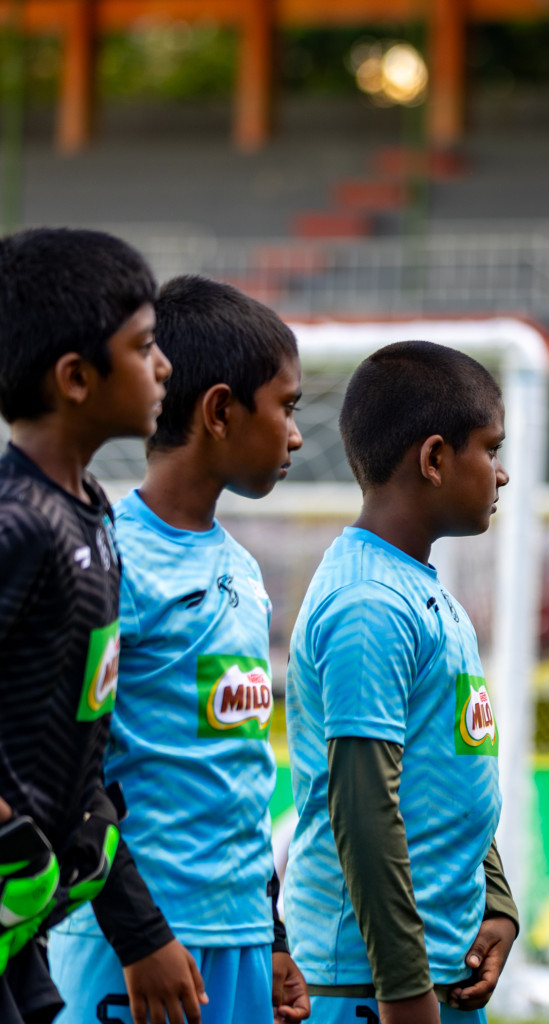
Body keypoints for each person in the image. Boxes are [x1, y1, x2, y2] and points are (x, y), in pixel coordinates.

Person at [46, 276, 310, 1024]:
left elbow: (241, 772)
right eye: (286, 407)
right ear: (221, 410)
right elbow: (66, 774)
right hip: (130, 942)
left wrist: (275, 932)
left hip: (241, 938)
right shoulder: (109, 559)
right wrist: (138, 935)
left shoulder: (244, 572)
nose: (295, 435)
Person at [0, 228, 210, 1024]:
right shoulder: (18, 523)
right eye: (145, 345)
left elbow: (81, 741)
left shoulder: (91, 521)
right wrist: (11, 839)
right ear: (77, 378)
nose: (163, 367)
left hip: (27, 931)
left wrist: (138, 926)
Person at [283, 341, 519, 1024]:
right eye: (490, 450)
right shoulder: (369, 605)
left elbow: (452, 773)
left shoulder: (420, 588)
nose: (501, 476)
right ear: (436, 457)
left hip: (435, 971)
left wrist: (495, 899)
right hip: (368, 986)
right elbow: (362, 808)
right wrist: (403, 986)